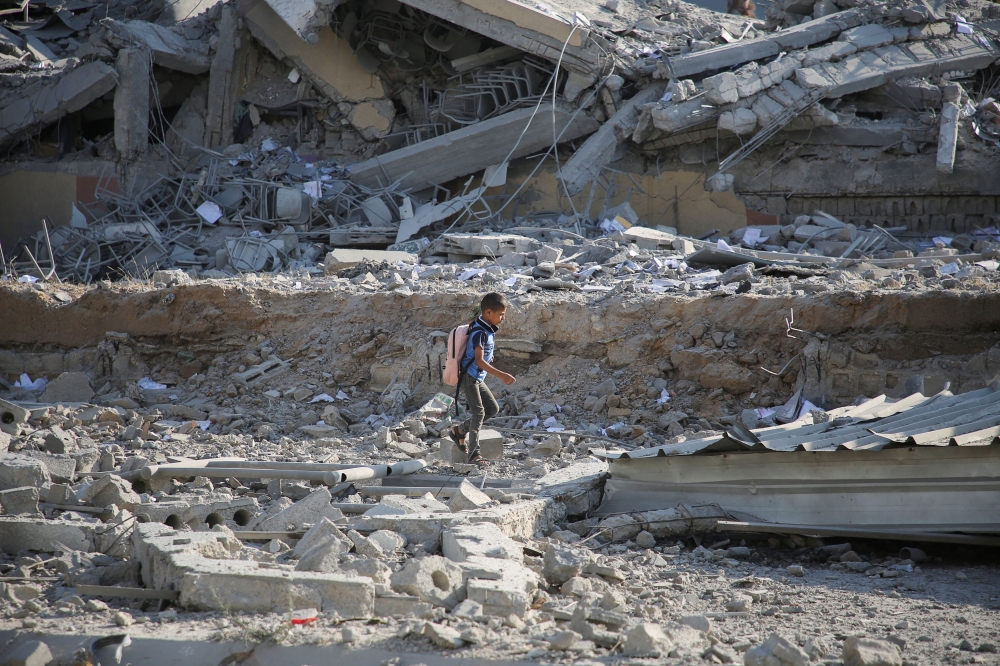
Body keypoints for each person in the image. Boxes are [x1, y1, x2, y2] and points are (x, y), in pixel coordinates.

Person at [450, 292, 516, 466]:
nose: (503, 318)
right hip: (469, 377)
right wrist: (501, 375)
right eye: (501, 314)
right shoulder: (480, 331)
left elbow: (480, 354)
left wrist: (488, 356)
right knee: (478, 412)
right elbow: (479, 361)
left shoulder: (486, 327)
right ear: (488, 312)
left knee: (492, 409)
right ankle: (474, 454)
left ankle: (459, 431)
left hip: (476, 377)